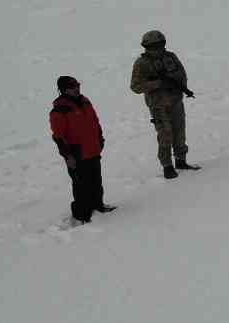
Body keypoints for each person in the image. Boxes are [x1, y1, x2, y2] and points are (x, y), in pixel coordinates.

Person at [130, 30, 200, 178]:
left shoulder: (170, 57)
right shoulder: (141, 63)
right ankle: (167, 166)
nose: (158, 49)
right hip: (158, 105)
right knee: (165, 134)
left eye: (160, 45)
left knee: (179, 131)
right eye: (154, 46)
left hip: (175, 101)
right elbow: (135, 86)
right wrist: (157, 84)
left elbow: (182, 74)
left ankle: (181, 160)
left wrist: (178, 85)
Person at [50, 75, 114, 223]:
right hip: (77, 154)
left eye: (77, 85)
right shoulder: (60, 109)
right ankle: (81, 216)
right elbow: (58, 136)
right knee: (81, 187)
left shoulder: (85, 101)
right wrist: (68, 156)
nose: (76, 88)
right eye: (72, 87)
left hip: (92, 150)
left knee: (96, 182)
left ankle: (98, 205)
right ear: (64, 90)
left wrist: (100, 139)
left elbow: (95, 122)